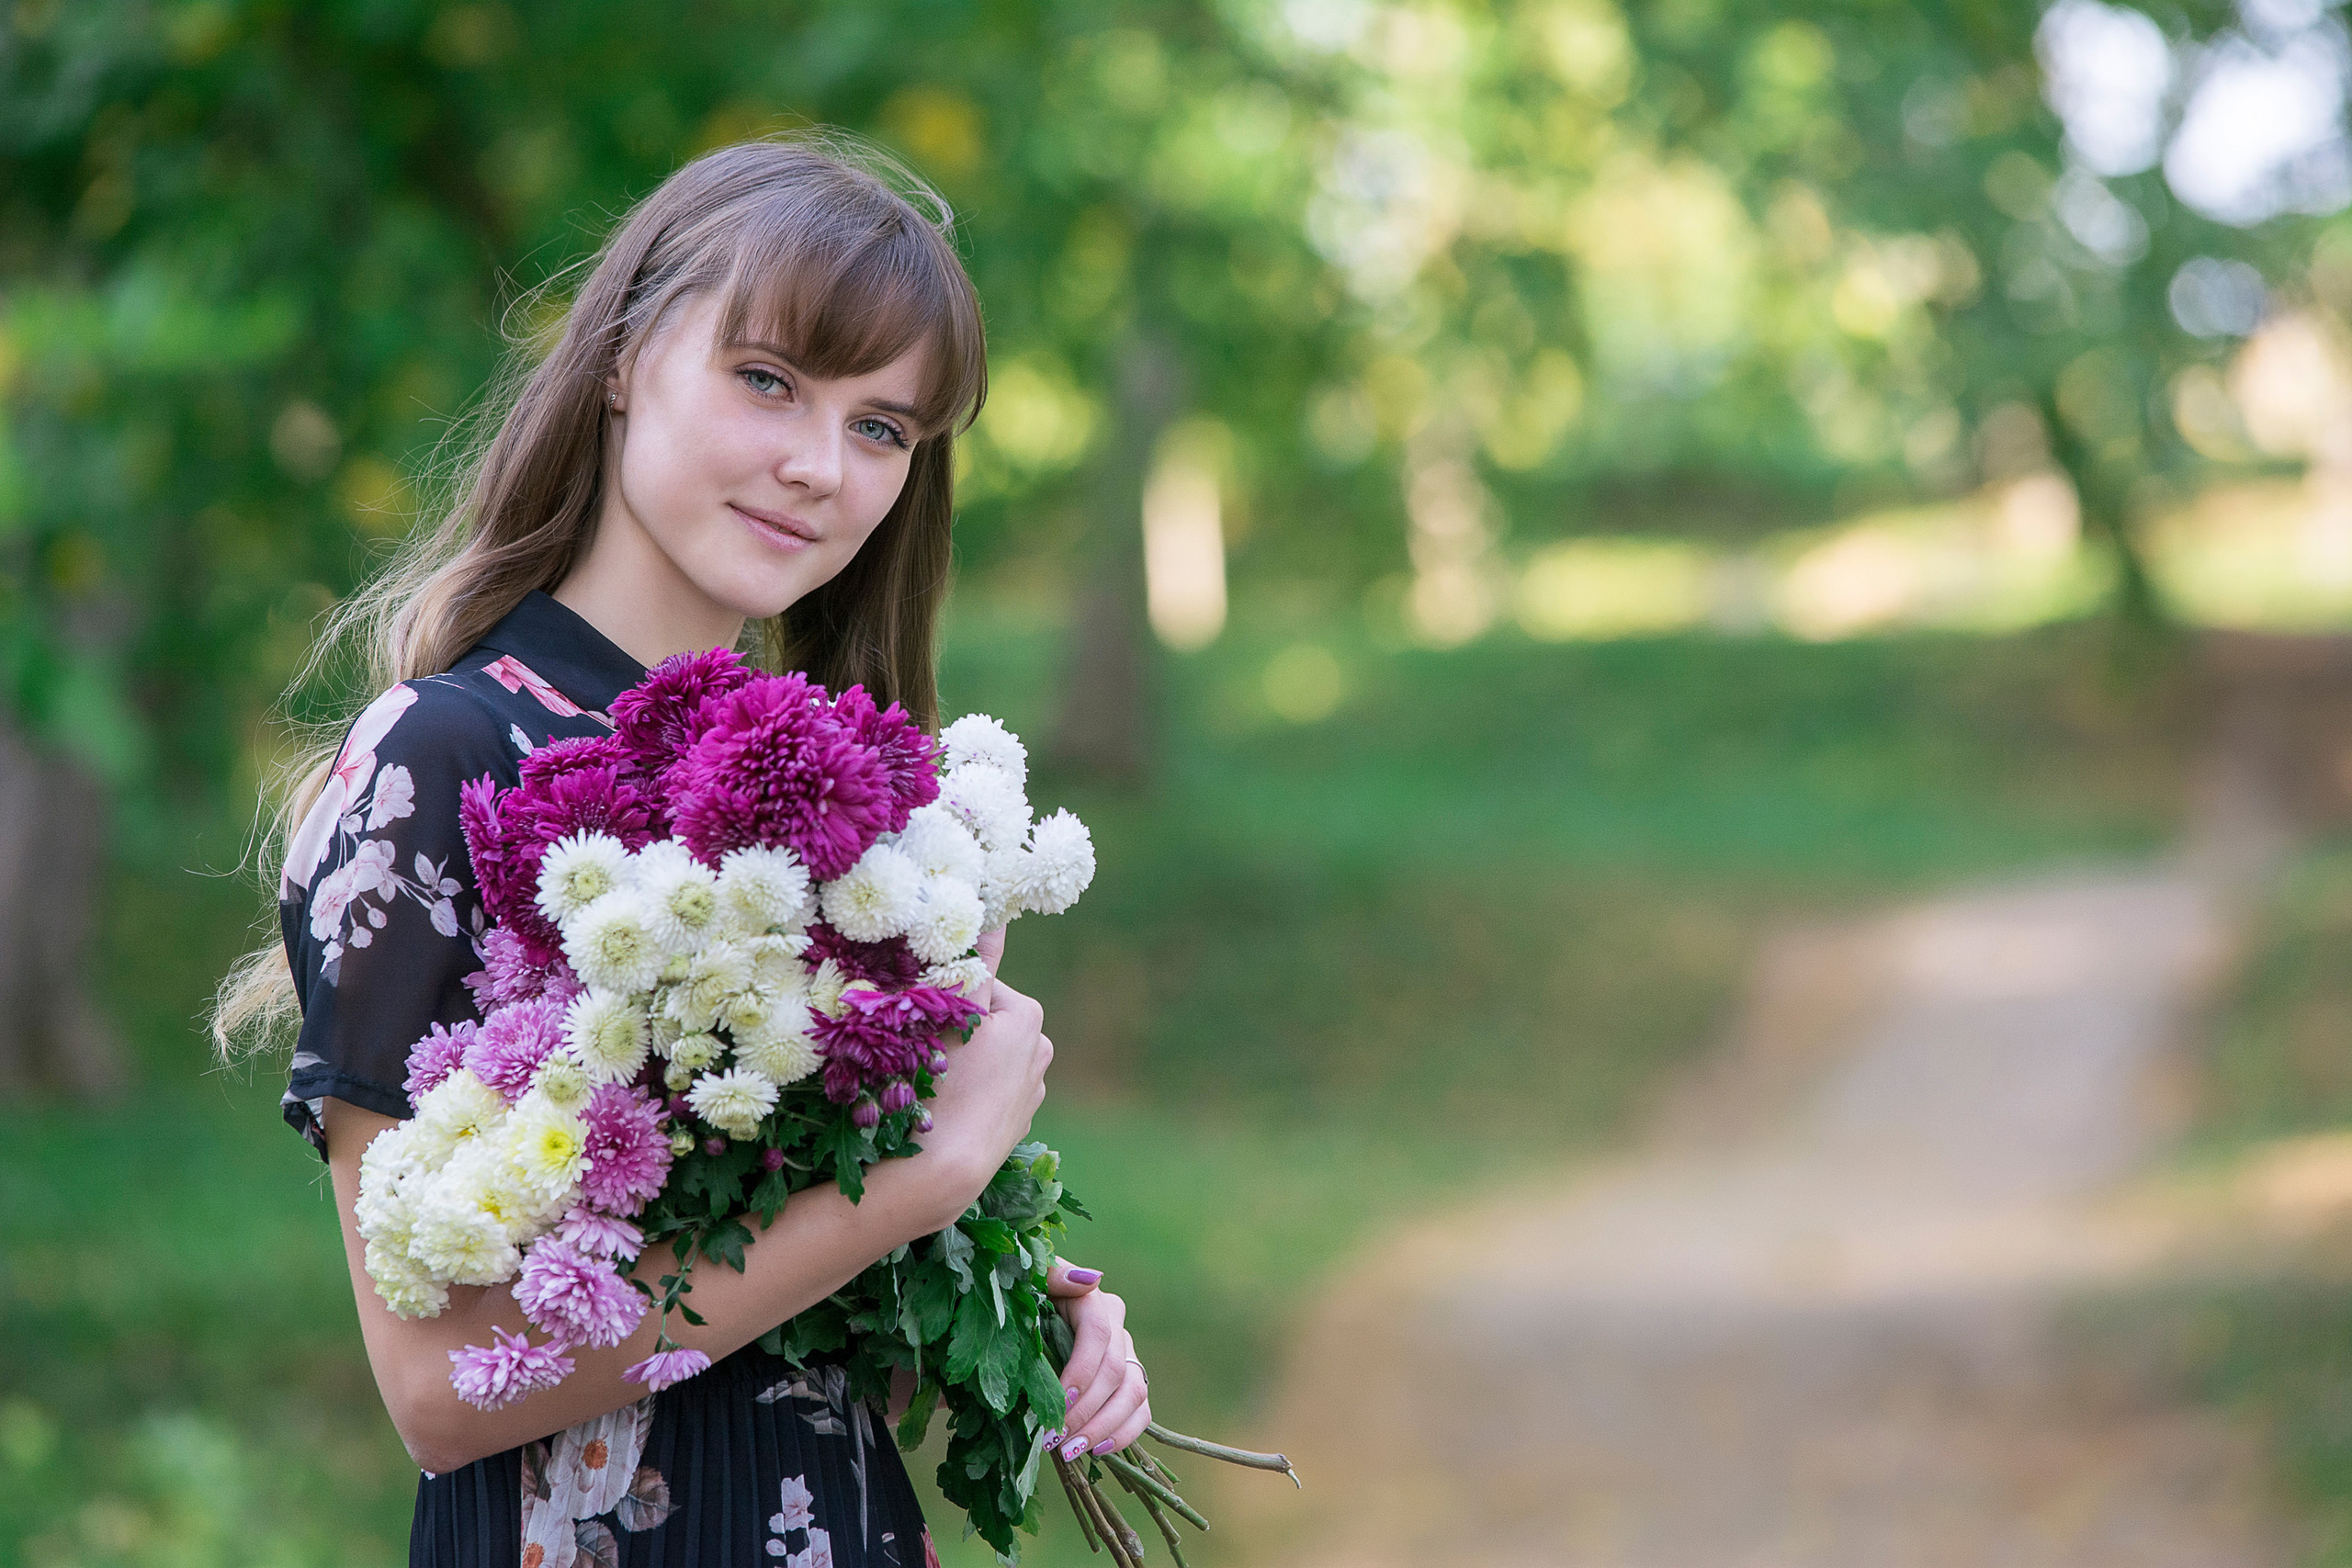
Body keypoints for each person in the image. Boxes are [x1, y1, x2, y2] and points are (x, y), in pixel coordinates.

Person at [212, 135, 1151, 1566]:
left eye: (882, 428)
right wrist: (924, 1178)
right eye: (768, 380)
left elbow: (794, 1333)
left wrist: (1001, 1308)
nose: (815, 466)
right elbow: (441, 1392)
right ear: (619, 357)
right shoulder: (441, 764)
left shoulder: (838, 812)